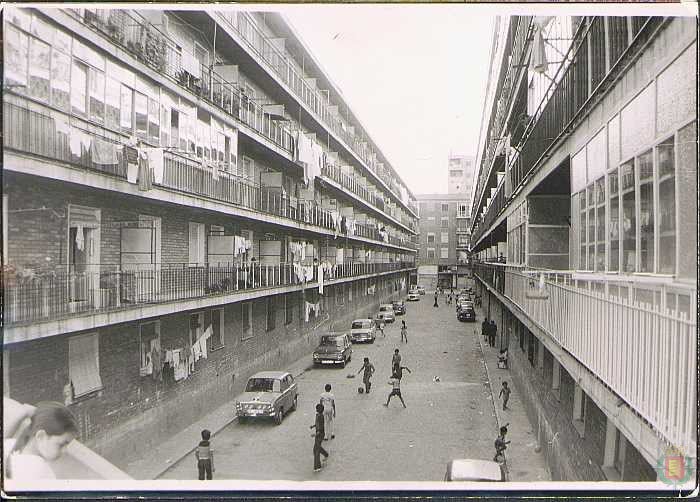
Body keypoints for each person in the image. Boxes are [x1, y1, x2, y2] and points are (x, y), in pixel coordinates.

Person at [3, 400, 79, 480]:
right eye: (61, 444)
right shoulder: (41, 471)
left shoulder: (8, 445)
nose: (65, 451)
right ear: (41, 436)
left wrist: (22, 415)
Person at [309, 403, 329, 472]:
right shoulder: (318, 415)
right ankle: (325, 454)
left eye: (317, 409)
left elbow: (320, 427)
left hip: (319, 434)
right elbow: (317, 423)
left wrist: (315, 434)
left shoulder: (321, 417)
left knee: (316, 450)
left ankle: (317, 466)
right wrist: (313, 426)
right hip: (319, 433)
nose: (316, 409)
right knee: (317, 447)